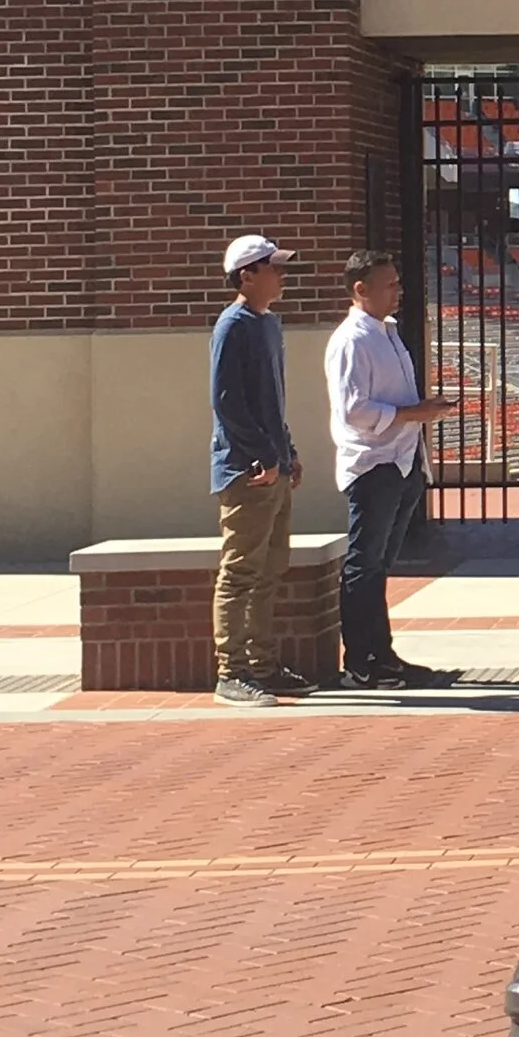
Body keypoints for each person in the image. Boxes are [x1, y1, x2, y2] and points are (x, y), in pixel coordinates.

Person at [325, 252, 462, 689]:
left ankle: (383, 656)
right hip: (374, 464)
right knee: (365, 564)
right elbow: (354, 410)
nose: (398, 291)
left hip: (402, 461)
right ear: (360, 289)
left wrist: (419, 414)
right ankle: (362, 662)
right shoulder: (352, 340)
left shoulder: (388, 334)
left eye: (399, 283)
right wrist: (413, 412)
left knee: (380, 565)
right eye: (389, 284)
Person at [208, 233, 305, 706]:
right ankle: (232, 671)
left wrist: (287, 451)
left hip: (273, 464)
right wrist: (259, 458)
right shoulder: (233, 325)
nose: (282, 275)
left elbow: (272, 400)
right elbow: (228, 403)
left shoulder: (269, 325)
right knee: (241, 570)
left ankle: (263, 665)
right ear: (247, 274)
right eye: (274, 267)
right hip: (248, 471)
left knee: (270, 569)